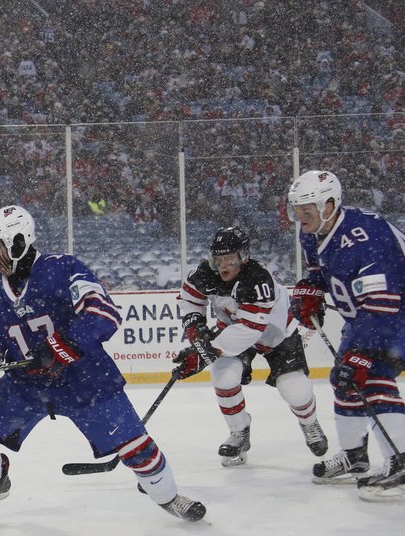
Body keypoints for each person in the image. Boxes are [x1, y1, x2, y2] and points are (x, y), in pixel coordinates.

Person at [0, 205, 206, 522]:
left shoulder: (63, 269)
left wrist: (59, 346)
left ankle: (168, 497)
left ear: (19, 241)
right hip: (25, 385)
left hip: (85, 381)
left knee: (138, 449)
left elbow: (103, 312)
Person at [287, 170, 405, 500]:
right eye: (296, 211)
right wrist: (309, 288)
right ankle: (355, 457)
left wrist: (361, 352)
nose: (300, 218)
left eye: (306, 211)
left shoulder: (368, 236)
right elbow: (317, 270)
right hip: (367, 316)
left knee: (372, 374)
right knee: (345, 378)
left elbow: (383, 299)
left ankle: (402, 460)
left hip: (395, 312)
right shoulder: (312, 231)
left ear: (329, 205)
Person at [173, 226, 328, 467]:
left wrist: (204, 353)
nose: (223, 265)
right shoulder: (204, 273)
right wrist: (196, 332)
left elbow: (250, 329)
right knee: (224, 377)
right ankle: (239, 433)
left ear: (243, 257)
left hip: (276, 336)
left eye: (230, 259)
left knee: (294, 390)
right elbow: (190, 300)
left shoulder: (257, 278)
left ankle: (310, 423)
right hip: (233, 329)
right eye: (219, 259)